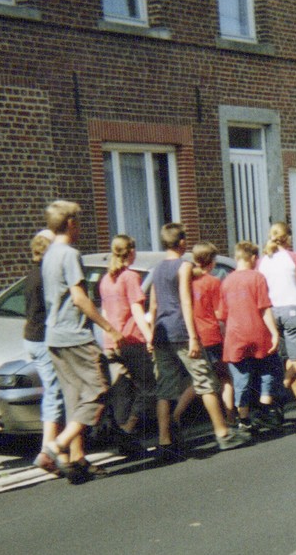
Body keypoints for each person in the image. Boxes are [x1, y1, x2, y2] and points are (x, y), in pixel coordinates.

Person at [147, 222, 251, 458]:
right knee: (206, 382)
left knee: (165, 389)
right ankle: (223, 433)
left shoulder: (157, 268)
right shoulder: (184, 266)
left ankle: (164, 441)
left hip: (162, 333)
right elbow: (186, 301)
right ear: (182, 242)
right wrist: (193, 337)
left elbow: (153, 304)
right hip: (181, 331)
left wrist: (151, 334)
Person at [39, 199, 120, 484]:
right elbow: (79, 298)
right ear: (71, 223)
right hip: (76, 335)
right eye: (79, 222)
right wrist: (109, 327)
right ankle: (56, 447)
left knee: (75, 398)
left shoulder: (49, 254)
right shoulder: (70, 254)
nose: (81, 227)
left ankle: (76, 458)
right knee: (99, 392)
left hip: (54, 337)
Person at [97, 234, 157, 458]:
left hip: (112, 341)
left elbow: (105, 312)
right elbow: (136, 310)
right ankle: (128, 430)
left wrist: (107, 339)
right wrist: (149, 336)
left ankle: (124, 438)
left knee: (123, 390)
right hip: (131, 339)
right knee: (148, 388)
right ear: (131, 252)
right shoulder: (130, 276)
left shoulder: (106, 279)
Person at [218, 241, 283, 435]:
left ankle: (243, 419)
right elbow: (264, 308)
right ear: (253, 258)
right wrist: (274, 332)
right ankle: (264, 407)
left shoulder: (226, 282)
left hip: (235, 335)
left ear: (237, 257)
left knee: (241, 378)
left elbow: (222, 314)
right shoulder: (257, 277)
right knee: (269, 368)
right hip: (257, 332)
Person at [258, 222, 296, 422]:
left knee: (286, 361)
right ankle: (278, 396)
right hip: (293, 310)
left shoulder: (262, 261)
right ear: (287, 237)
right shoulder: (295, 257)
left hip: (272, 313)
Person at [21, 230, 65, 462]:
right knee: (54, 393)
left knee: (52, 391)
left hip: (31, 336)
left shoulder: (31, 274)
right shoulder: (45, 277)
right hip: (42, 338)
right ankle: (47, 450)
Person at [189, 242, 234, 418]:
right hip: (212, 335)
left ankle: (176, 415)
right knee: (225, 378)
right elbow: (219, 312)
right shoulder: (213, 282)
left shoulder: (189, 281)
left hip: (195, 336)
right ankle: (230, 416)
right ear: (211, 261)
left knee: (200, 378)